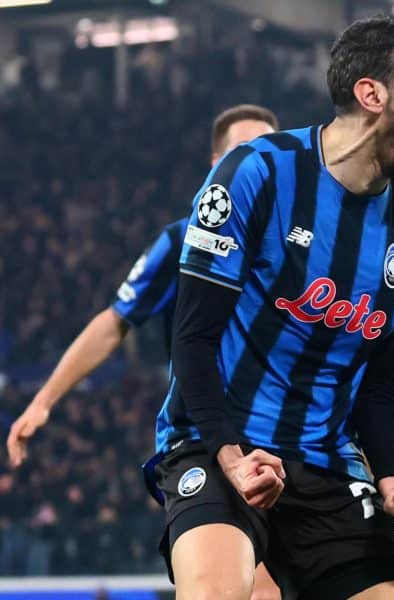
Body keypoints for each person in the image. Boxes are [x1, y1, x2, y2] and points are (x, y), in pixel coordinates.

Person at [152, 16, 394, 600]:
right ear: (371, 93)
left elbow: (385, 385)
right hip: (219, 443)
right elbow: (192, 341)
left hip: (326, 460)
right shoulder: (258, 174)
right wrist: (233, 458)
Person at [6, 104, 285, 599]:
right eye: (241, 151)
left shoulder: (314, 247)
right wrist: (44, 400)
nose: (255, 163)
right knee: (248, 587)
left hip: (299, 439)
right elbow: (115, 322)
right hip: (208, 435)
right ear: (216, 164)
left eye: (266, 152)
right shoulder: (184, 241)